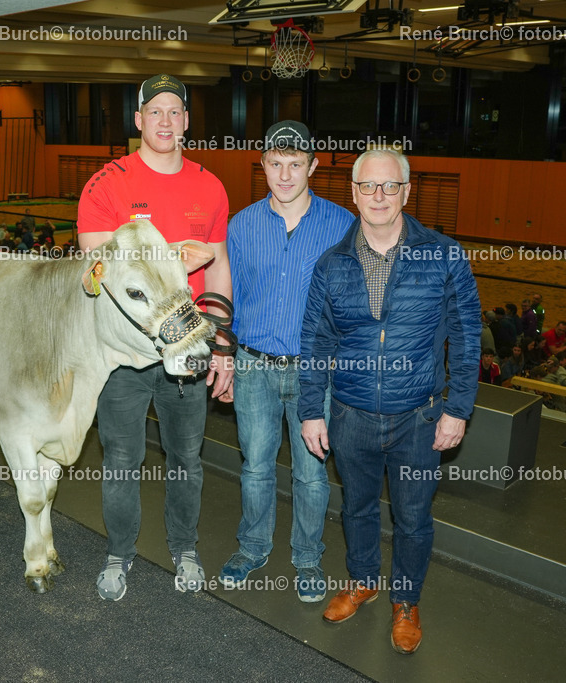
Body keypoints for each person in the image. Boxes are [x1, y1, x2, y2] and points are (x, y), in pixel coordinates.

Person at [299, 148, 481, 655]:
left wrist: (458, 408)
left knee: (413, 517)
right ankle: (362, 580)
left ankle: (406, 600)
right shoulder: (331, 263)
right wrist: (312, 409)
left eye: (389, 186)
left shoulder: (444, 254)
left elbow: (467, 338)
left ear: (406, 191)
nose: (378, 196)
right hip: (350, 414)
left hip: (420, 417)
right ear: (354, 193)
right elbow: (315, 340)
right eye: (368, 187)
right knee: (356, 507)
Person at [76, 74, 232, 601]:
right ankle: (119, 553)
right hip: (124, 355)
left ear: (187, 121)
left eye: (175, 111)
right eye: (155, 111)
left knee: (186, 457)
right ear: (139, 120)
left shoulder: (210, 187)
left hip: (186, 345)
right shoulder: (106, 184)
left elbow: (218, 267)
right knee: (121, 458)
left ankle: (184, 547)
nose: (165, 121)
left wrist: (223, 344)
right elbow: (95, 273)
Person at [221, 120, 354, 603]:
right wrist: (225, 358)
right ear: (263, 166)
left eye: (295, 164)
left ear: (313, 167)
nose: (284, 173)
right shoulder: (242, 224)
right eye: (275, 163)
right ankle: (253, 547)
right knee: (255, 466)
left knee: (311, 473)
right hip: (253, 363)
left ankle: (307, 558)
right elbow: (228, 296)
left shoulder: (342, 226)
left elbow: (352, 303)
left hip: (314, 372)